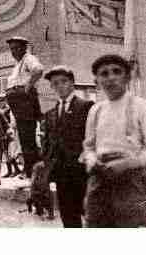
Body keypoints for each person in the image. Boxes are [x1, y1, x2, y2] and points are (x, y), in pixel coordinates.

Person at [81, 55, 146, 227]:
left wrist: (129, 163)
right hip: (99, 177)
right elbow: (88, 146)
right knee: (95, 224)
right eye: (104, 74)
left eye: (116, 72)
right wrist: (92, 160)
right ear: (97, 80)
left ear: (127, 77)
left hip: (129, 178)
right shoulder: (96, 109)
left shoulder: (140, 106)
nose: (110, 78)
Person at [41, 65, 94, 227]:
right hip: (61, 174)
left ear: (72, 83)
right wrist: (48, 163)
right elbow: (48, 141)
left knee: (90, 214)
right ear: (51, 87)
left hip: (81, 172)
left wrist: (85, 158)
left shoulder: (86, 106)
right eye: (55, 83)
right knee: (68, 216)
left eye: (64, 81)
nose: (60, 86)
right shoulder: (50, 113)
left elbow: (92, 137)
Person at [5, 36, 43, 180]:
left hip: (25, 103)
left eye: (16, 48)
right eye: (11, 49)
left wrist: (27, 87)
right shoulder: (18, 64)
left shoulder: (28, 58)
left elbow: (38, 70)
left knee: (27, 138)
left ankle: (32, 171)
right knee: (23, 138)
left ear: (24, 48)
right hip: (18, 104)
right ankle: (29, 169)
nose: (13, 52)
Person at [0, 93, 22, 177]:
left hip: (9, 133)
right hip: (1, 134)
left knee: (10, 152)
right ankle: (10, 170)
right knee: (6, 153)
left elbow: (11, 122)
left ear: (5, 101)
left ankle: (16, 169)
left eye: (1, 101)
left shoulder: (9, 109)